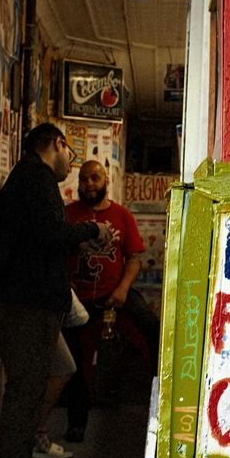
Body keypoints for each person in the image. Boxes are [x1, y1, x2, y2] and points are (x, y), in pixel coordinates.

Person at [0, 125, 112, 458]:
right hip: (28, 305)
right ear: (58, 144)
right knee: (24, 395)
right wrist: (91, 229)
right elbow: (49, 234)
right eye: (69, 156)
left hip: (33, 302)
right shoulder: (35, 178)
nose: (69, 166)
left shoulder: (28, 178)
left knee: (51, 376)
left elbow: (42, 236)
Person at [63, 160, 160, 442]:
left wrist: (123, 289)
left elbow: (134, 258)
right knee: (76, 359)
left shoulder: (122, 215)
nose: (89, 184)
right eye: (84, 179)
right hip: (78, 298)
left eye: (94, 178)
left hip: (115, 291)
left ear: (106, 180)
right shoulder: (68, 215)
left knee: (151, 326)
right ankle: (77, 422)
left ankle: (158, 406)